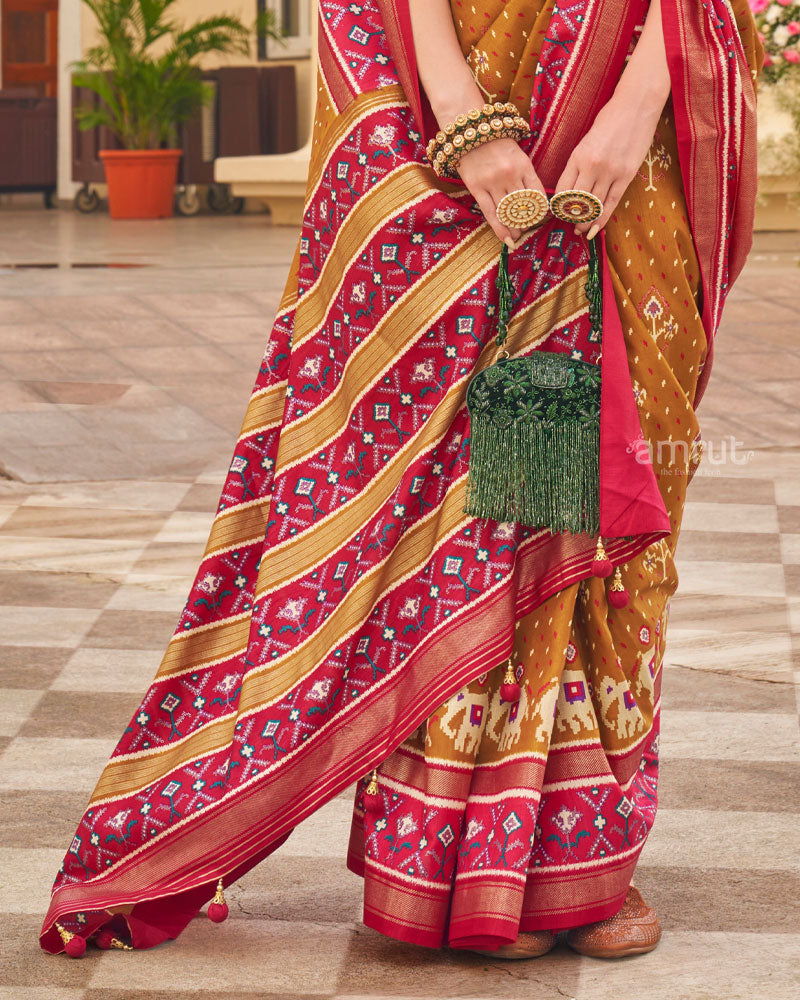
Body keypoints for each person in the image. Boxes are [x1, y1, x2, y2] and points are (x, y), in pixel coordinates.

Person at [41, 0, 763, 961]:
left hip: (635, 138)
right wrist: (461, 117)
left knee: (593, 505)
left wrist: (632, 112)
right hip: (456, 124)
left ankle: (577, 859)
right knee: (486, 506)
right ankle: (463, 866)